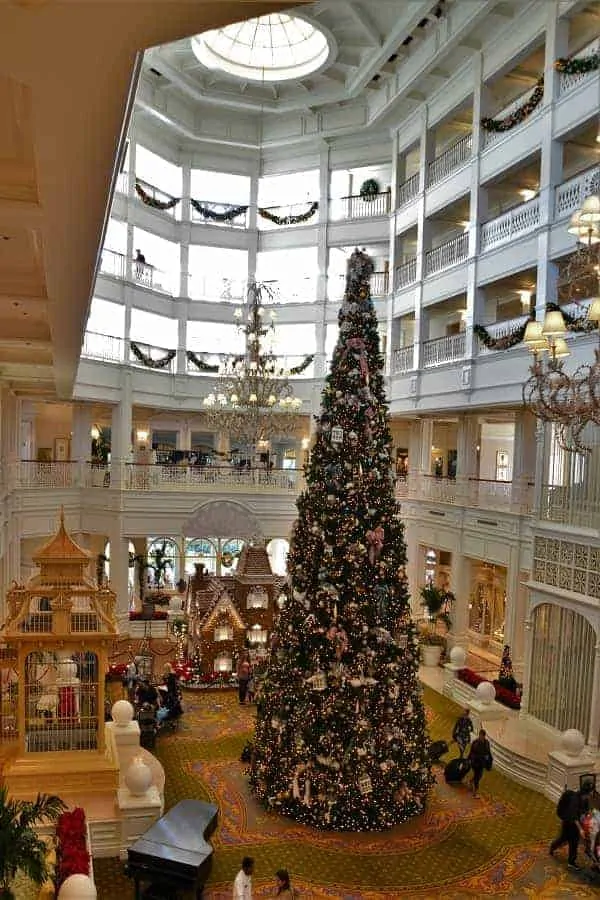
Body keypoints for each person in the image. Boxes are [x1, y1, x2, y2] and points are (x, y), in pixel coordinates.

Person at [550, 784, 591, 870]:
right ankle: (554, 847)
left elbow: (586, 811)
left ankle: (570, 860)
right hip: (569, 823)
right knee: (568, 839)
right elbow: (574, 816)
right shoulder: (575, 799)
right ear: (584, 793)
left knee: (571, 841)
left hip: (575, 823)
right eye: (589, 794)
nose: (589, 796)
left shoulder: (584, 799)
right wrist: (581, 830)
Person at [468, 728, 492, 798]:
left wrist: (489, 760)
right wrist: (469, 760)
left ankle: (471, 781)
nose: (481, 737)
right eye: (480, 735)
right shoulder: (475, 743)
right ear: (479, 735)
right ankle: (475, 793)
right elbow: (471, 752)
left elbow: (488, 752)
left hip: (482, 762)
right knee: (477, 776)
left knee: (479, 776)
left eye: (482, 736)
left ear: (484, 736)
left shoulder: (487, 743)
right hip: (475, 762)